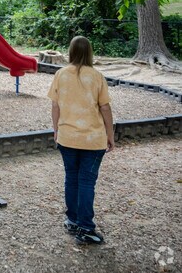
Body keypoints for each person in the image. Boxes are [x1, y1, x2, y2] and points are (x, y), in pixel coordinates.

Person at [47, 36, 115, 245]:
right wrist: (110, 135)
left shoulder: (60, 74)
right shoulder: (96, 76)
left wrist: (56, 130)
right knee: (86, 181)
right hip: (92, 139)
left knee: (71, 177)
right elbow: (105, 107)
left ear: (71, 52)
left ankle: (72, 219)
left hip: (68, 137)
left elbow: (55, 106)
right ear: (90, 52)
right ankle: (85, 227)